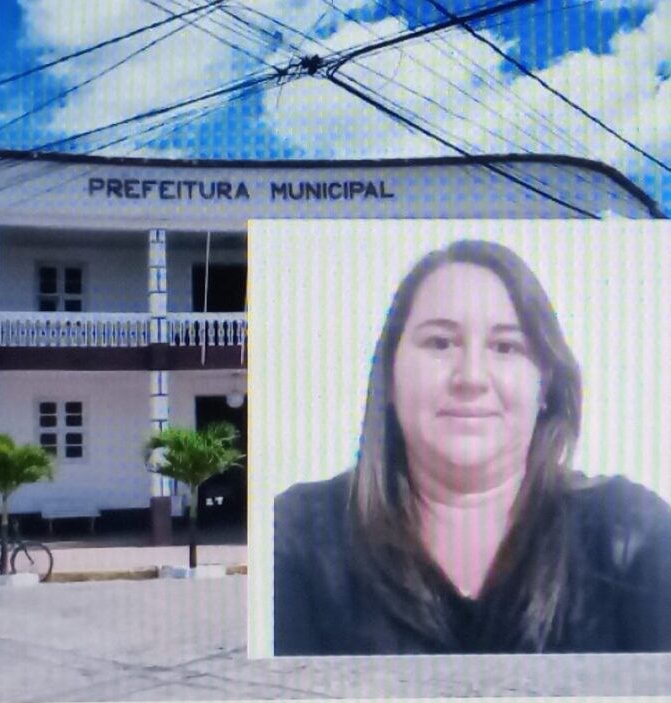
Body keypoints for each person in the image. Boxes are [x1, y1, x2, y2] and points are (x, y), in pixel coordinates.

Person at [273, 238, 671, 655]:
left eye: (505, 347)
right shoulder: (297, 538)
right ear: (390, 376)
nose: (471, 378)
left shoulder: (631, 537)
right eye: (440, 343)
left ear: (545, 386)